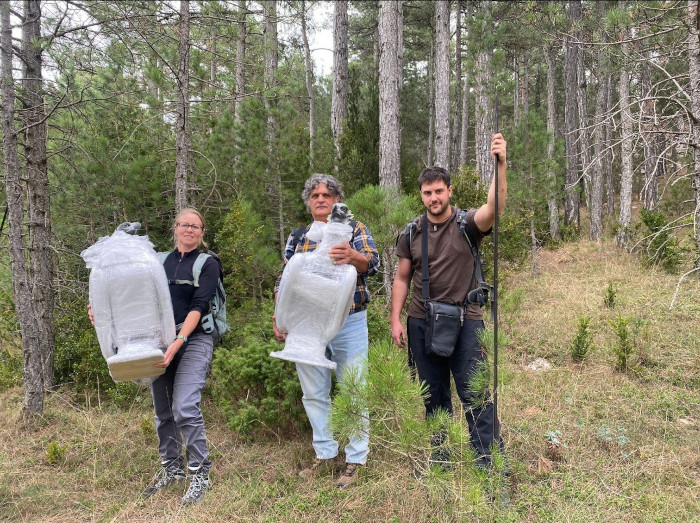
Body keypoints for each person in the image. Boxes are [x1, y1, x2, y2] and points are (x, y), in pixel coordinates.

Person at [390, 134, 508, 469]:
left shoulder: (468, 224)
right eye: (427, 193)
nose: (433, 198)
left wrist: (501, 164)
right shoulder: (411, 233)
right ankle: (442, 464)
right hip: (421, 322)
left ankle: (488, 466)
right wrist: (395, 319)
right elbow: (401, 278)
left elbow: (495, 207)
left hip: (466, 320)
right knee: (434, 397)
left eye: (439, 191)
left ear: (449, 191)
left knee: (476, 397)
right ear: (421, 195)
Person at [89, 208, 219, 505]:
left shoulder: (207, 263)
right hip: (157, 341)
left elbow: (199, 306)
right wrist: (99, 310)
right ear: (175, 228)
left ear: (202, 232)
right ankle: (172, 470)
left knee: (184, 406)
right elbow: (128, 295)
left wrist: (178, 342)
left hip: (193, 339)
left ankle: (200, 473)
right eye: (184, 225)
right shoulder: (155, 261)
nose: (189, 230)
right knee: (163, 411)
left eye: (195, 226)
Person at [273, 173, 379, 489]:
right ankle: (324, 453)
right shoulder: (298, 236)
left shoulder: (354, 229)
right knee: (314, 392)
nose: (321, 199)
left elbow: (372, 264)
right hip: (305, 326)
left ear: (336, 200)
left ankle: (356, 459)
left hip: (349, 323)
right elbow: (285, 279)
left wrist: (353, 255)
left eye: (327, 195)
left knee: (354, 388)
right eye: (315, 195)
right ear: (309, 202)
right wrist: (279, 319)